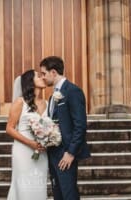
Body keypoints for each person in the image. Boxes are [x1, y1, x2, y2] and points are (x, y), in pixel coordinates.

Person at [40, 56, 91, 200]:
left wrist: (70, 153)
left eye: (44, 73)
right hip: (53, 152)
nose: (42, 78)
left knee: (69, 194)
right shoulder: (52, 97)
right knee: (58, 195)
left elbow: (80, 125)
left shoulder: (73, 91)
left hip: (65, 154)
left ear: (54, 72)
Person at [6, 69, 48, 200]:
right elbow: (9, 128)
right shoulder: (20, 102)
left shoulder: (47, 103)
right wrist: (30, 143)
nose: (42, 78)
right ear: (31, 82)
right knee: (24, 187)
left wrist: (49, 138)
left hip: (41, 152)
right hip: (23, 150)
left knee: (39, 186)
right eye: (38, 76)